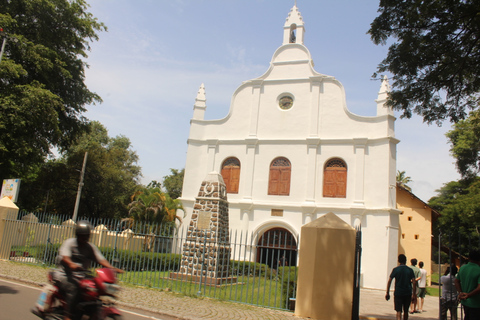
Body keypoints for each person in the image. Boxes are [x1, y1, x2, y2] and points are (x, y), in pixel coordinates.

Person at [56, 220, 123, 320]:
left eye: (87, 235)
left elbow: (100, 259)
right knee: (74, 287)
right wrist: (71, 264)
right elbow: (65, 257)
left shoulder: (90, 247)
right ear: (78, 235)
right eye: (83, 235)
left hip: (82, 276)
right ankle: (68, 315)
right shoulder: (69, 243)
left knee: (95, 288)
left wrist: (112, 268)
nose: (86, 238)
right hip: (65, 275)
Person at [386, 254, 417, 320]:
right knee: (406, 311)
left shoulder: (396, 269)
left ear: (398, 261)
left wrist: (387, 292)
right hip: (407, 293)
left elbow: (389, 281)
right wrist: (414, 294)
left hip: (398, 292)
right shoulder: (410, 270)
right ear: (405, 261)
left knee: (398, 311)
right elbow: (414, 282)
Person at [455, 250, 480, 320]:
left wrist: (460, 293)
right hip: (476, 303)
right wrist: (469, 295)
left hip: (465, 302)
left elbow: (456, 281)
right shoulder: (478, 269)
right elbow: (479, 288)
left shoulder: (463, 268)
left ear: (469, 258)